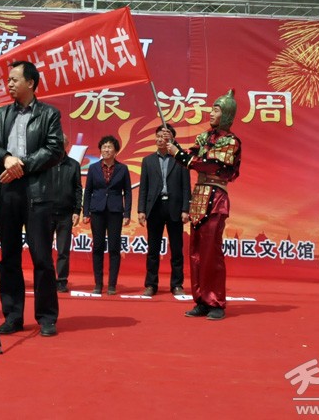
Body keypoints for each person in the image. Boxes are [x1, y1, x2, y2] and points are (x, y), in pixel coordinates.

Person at [0, 60, 64, 337]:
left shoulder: (49, 114)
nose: (9, 84)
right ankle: (13, 315)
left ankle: (47, 317)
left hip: (37, 193)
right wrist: (6, 159)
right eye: (8, 80)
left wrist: (22, 166)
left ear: (30, 82)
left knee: (41, 257)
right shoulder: (1, 114)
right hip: (7, 190)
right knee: (9, 256)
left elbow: (54, 149)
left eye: (14, 79)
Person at [172, 89, 242, 321]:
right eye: (212, 108)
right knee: (196, 253)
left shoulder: (231, 141)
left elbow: (210, 165)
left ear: (227, 114)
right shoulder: (204, 137)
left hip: (216, 197)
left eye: (216, 109)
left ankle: (216, 302)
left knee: (212, 252)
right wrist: (174, 148)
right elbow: (190, 156)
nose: (211, 113)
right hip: (199, 196)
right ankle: (201, 300)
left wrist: (181, 157)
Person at [137, 125, 191, 296]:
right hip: (155, 207)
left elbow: (186, 187)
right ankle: (151, 285)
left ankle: (177, 284)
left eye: (164, 136)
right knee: (153, 250)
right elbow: (143, 188)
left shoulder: (179, 160)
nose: (160, 139)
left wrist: (186, 209)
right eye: (158, 136)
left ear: (171, 139)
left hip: (175, 207)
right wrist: (141, 210)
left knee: (176, 249)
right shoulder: (148, 161)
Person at [82, 135, 133, 295]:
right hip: (97, 211)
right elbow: (88, 191)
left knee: (114, 248)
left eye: (109, 147)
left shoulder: (122, 169)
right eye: (104, 147)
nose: (106, 150)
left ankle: (112, 284)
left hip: (115, 211)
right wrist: (85, 212)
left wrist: (127, 213)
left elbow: (128, 192)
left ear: (115, 151)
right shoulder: (94, 168)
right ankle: (98, 283)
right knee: (97, 247)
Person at [48, 133, 82, 293]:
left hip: (66, 214)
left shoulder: (73, 165)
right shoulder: (46, 162)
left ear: (67, 145)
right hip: (46, 212)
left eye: (63, 142)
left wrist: (77, 210)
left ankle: (61, 280)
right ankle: (46, 279)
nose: (60, 144)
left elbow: (78, 189)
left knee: (63, 250)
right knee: (45, 249)